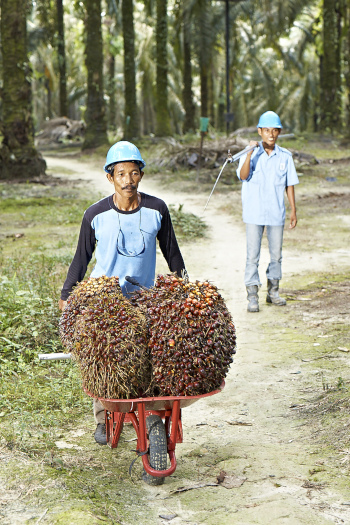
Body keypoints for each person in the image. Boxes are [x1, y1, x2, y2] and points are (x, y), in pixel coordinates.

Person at [59, 140, 186, 444]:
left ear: (140, 174)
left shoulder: (157, 209)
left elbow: (172, 252)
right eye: (121, 174)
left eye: (134, 173)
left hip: (144, 296)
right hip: (106, 298)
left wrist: (183, 286)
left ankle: (142, 410)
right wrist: (67, 294)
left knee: (144, 355)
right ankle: (104, 418)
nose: (128, 181)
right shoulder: (95, 214)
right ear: (110, 178)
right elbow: (81, 257)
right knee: (102, 358)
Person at [236, 111, 299, 313]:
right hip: (254, 214)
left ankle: (273, 292)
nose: (270, 134)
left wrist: (293, 210)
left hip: (276, 214)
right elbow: (243, 176)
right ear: (259, 131)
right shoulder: (249, 153)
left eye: (274, 130)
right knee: (252, 256)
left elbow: (289, 185)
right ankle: (252, 295)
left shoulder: (285, 157)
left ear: (278, 132)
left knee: (276, 255)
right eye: (266, 130)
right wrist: (248, 154)